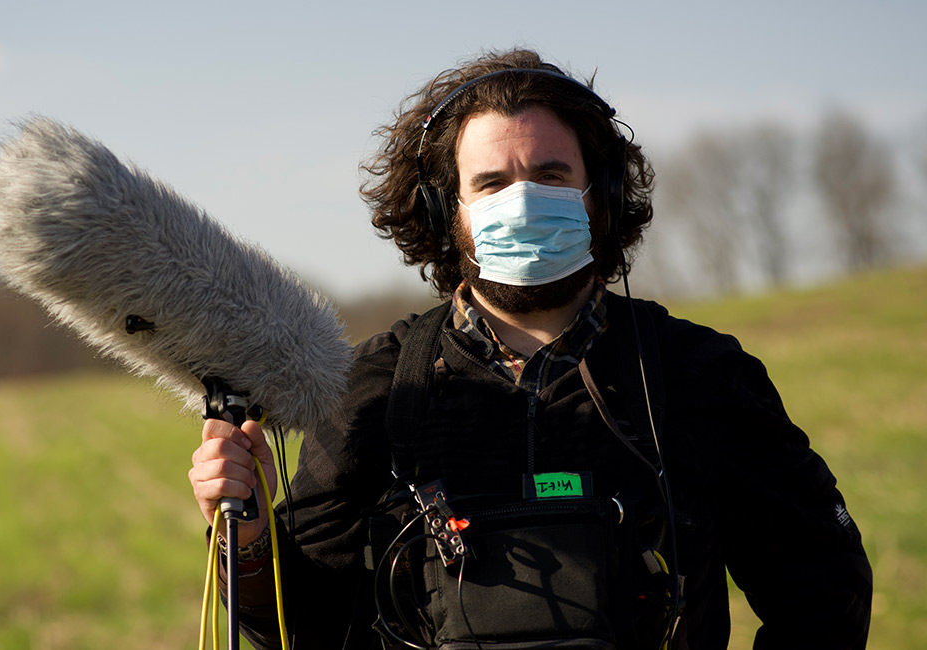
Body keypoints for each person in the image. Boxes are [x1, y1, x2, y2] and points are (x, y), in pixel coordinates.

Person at [188, 49, 872, 649]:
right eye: (489, 183)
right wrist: (246, 544)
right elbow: (308, 627)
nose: (522, 200)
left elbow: (823, 590)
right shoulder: (376, 388)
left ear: (598, 193)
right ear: (442, 209)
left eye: (550, 174)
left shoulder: (701, 375)